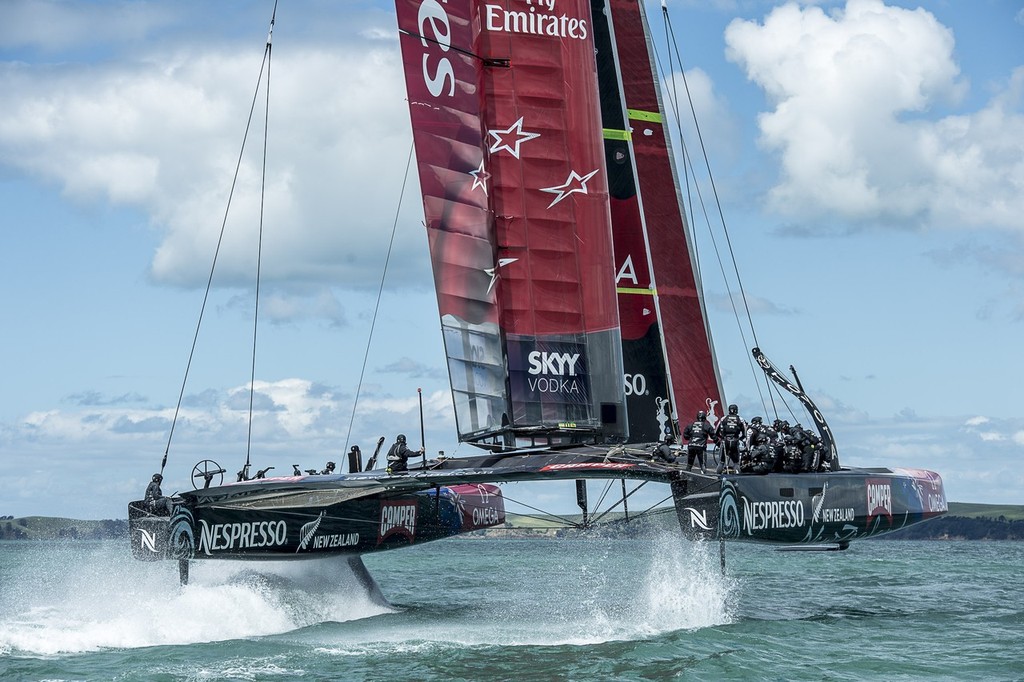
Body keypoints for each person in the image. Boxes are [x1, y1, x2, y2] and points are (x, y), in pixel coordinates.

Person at [715, 404, 747, 474]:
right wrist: (740, 438)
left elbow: (716, 431)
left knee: (721, 461)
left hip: (725, 440)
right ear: (736, 410)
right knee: (736, 462)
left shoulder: (724, 418)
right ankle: (738, 476)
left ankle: (717, 476)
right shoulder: (740, 419)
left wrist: (722, 437)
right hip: (735, 441)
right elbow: (745, 433)